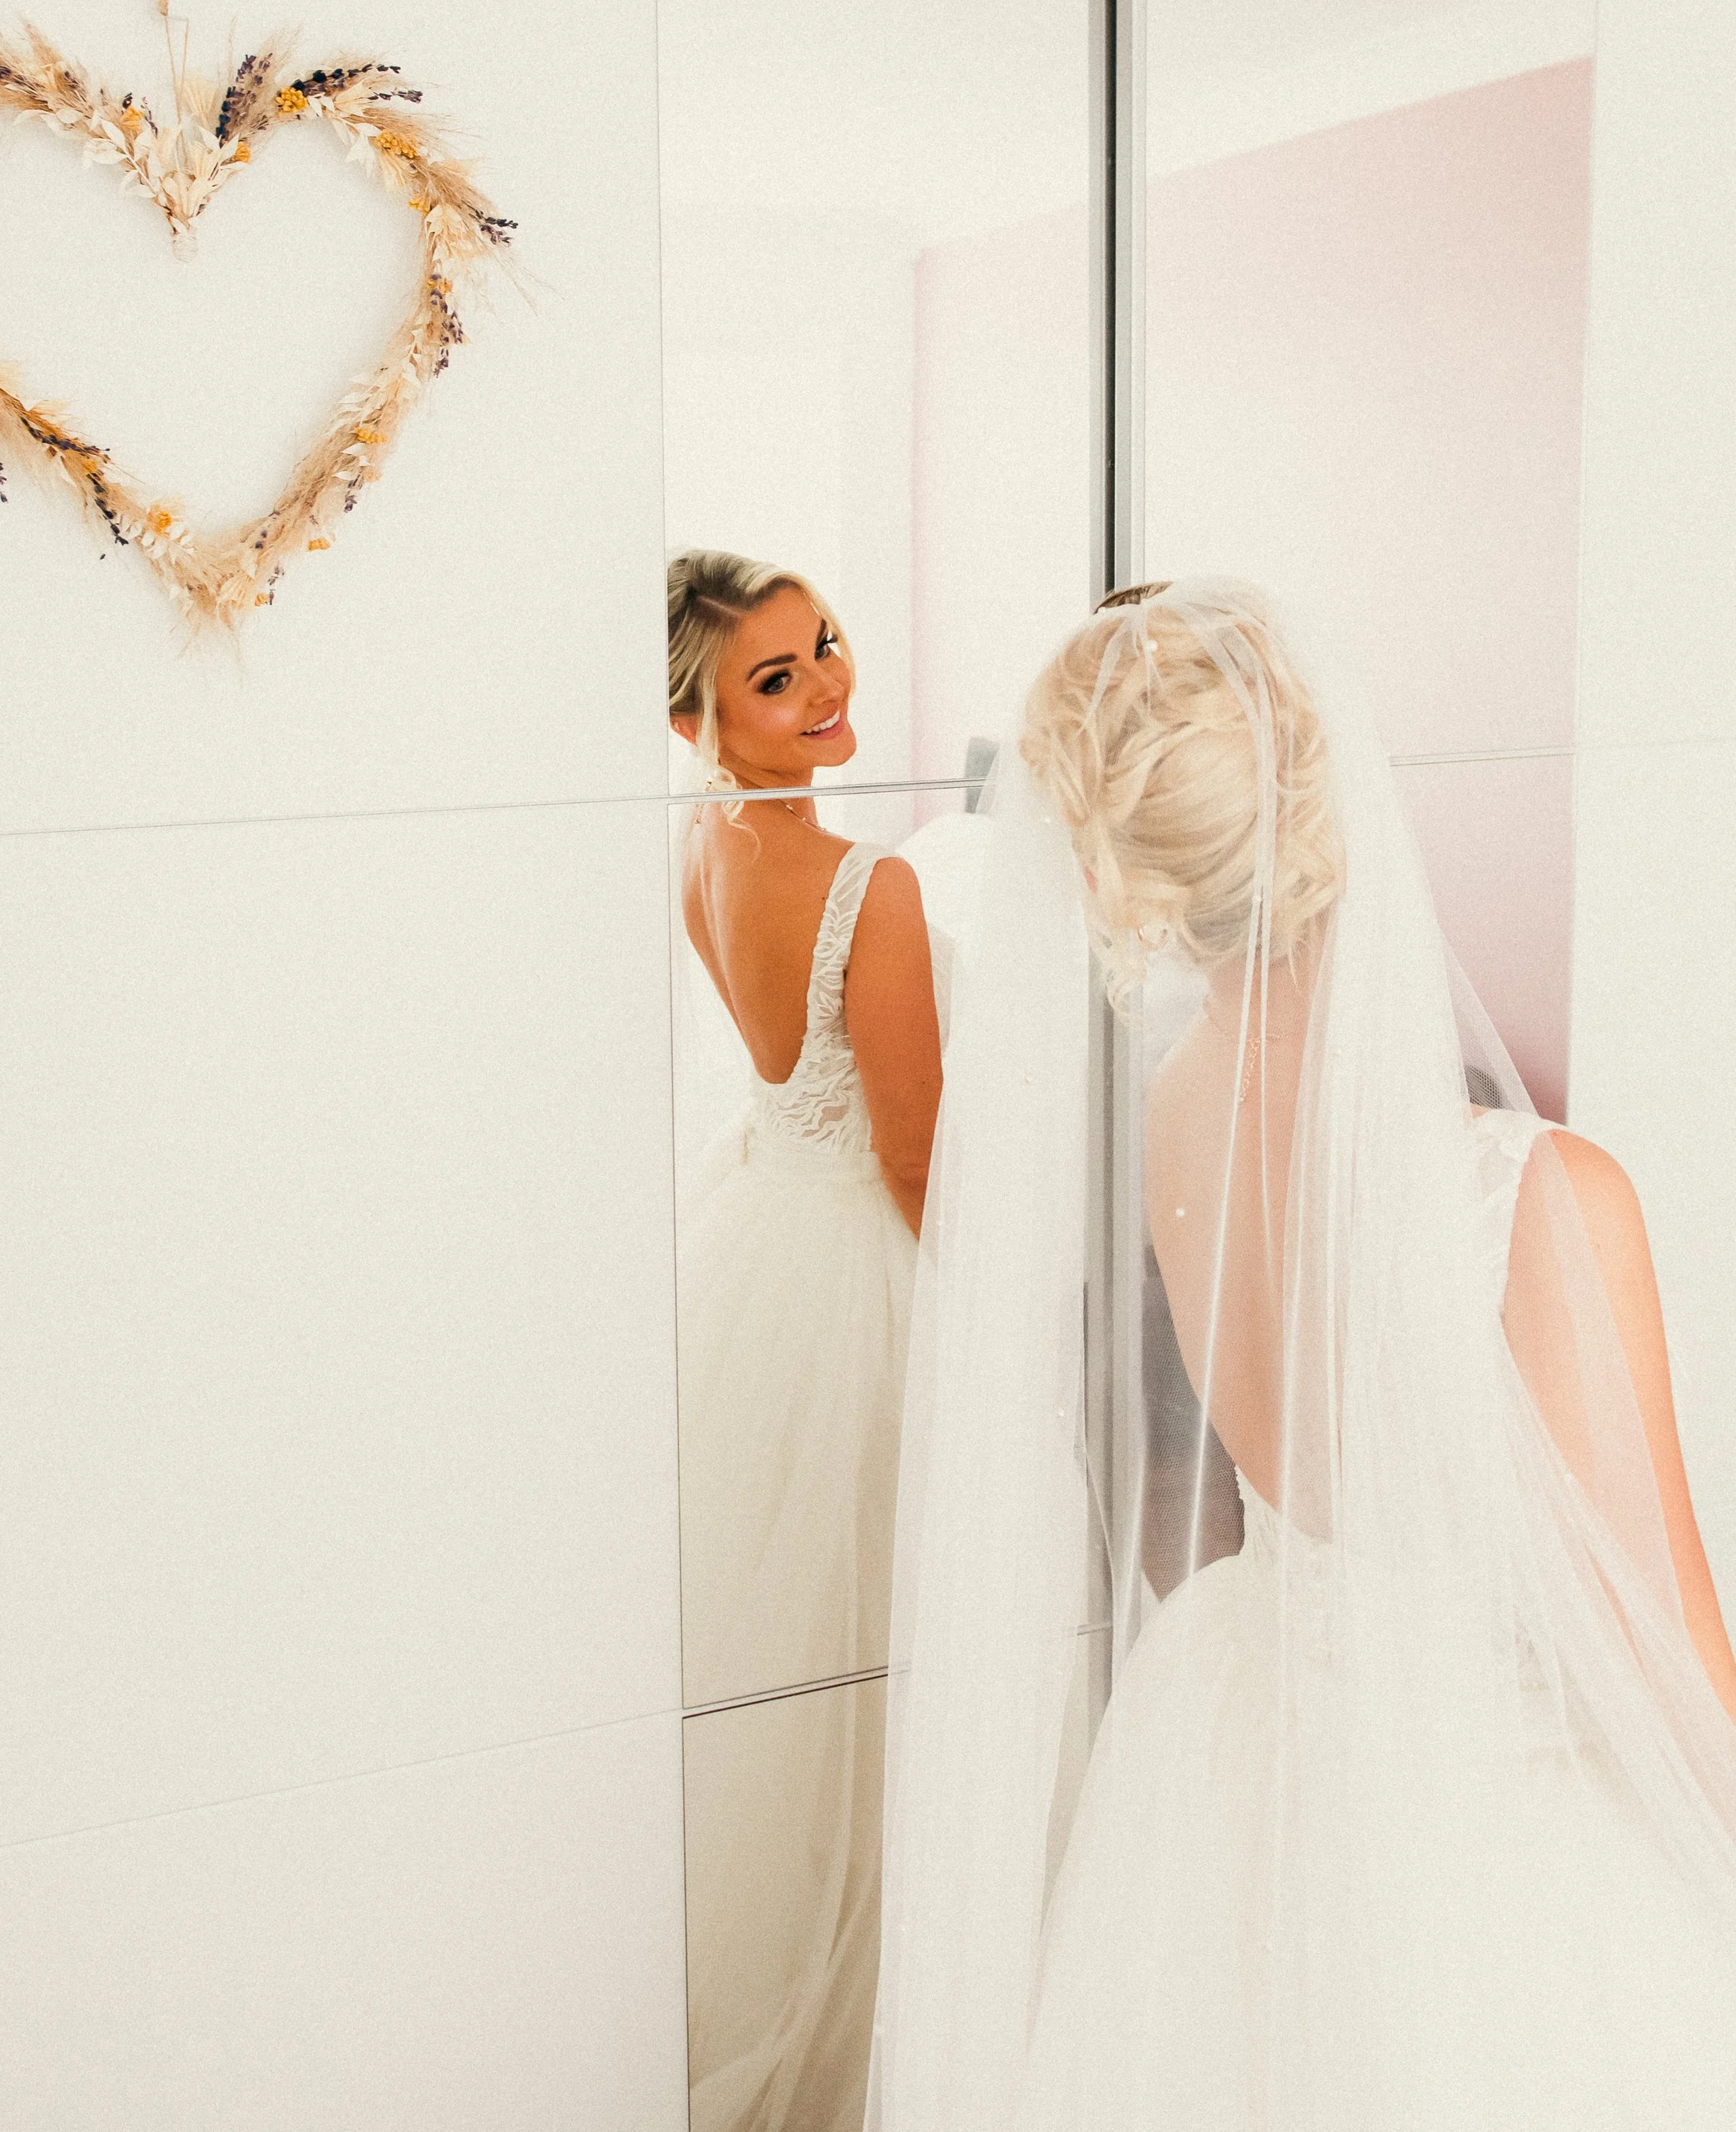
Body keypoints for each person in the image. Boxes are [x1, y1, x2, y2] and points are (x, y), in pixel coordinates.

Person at [867, 578, 1736, 2132]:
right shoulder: (1540, 1198)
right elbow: (1658, 1641)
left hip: (1246, 1754)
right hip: (1489, 1816)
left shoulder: (1169, 1116)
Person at [668, 549, 943, 2132]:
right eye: (774, 681)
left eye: (823, 646)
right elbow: (912, 1158)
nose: (828, 686)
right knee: (867, 1650)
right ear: (697, 719)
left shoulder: (701, 855)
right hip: (857, 1257)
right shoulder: (869, 885)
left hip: (765, 1229)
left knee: (784, 1639)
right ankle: (862, 2015)